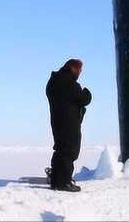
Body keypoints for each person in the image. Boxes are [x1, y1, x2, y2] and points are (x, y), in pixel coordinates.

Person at [46, 59, 92, 192]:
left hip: (57, 121)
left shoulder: (53, 82)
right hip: (70, 123)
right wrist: (87, 92)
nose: (80, 73)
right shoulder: (70, 84)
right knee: (69, 151)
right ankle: (63, 182)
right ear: (73, 69)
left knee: (60, 149)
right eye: (80, 70)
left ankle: (56, 180)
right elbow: (84, 99)